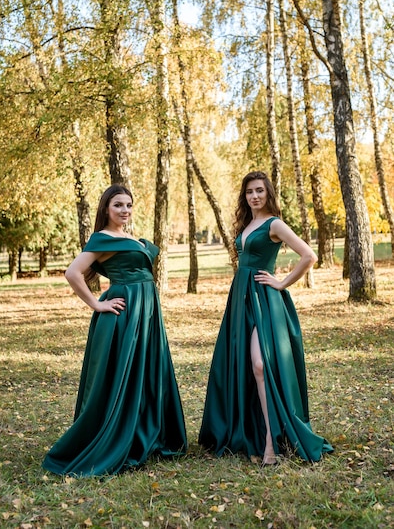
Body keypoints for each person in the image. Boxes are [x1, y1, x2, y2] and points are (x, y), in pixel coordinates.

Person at [42, 184, 187, 476]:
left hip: (147, 312)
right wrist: (97, 304)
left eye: (129, 205)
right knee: (124, 376)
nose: (124, 210)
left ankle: (146, 434)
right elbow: (73, 273)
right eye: (118, 205)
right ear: (106, 209)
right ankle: (115, 438)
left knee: (145, 371)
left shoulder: (127, 236)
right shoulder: (102, 239)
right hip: (126, 313)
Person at [198, 171, 333, 465]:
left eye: (259, 190)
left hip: (264, 299)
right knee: (243, 365)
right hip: (241, 299)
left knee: (260, 365)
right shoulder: (248, 224)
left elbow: (308, 255)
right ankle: (250, 433)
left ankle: (272, 443)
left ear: (268, 193)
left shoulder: (275, 224)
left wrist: (282, 283)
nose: (254, 196)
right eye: (249, 192)